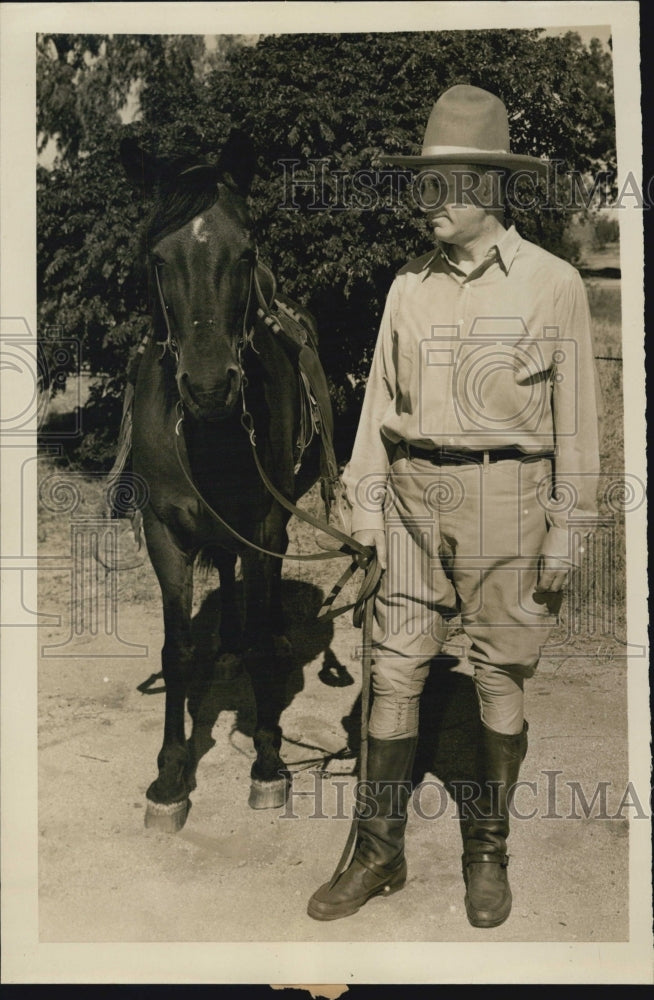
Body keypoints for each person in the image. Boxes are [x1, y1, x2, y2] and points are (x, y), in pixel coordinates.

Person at [307, 85, 601, 927]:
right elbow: (378, 409)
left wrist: (568, 530)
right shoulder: (408, 285)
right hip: (407, 500)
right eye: (421, 185)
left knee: (498, 674)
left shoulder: (554, 286)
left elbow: (577, 425)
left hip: (508, 501)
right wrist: (364, 504)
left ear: (491, 190)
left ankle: (486, 853)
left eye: (442, 187)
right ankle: (377, 850)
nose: (423, 203)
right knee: (393, 668)